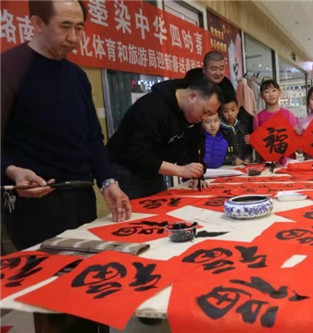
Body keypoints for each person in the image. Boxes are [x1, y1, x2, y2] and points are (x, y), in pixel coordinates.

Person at [1, 0, 131, 251]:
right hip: (34, 202)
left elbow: (92, 136)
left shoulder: (76, 76)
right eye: (65, 27)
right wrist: (11, 170)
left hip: (81, 196)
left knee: (87, 273)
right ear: (38, 24)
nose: (74, 37)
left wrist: (108, 181)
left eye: (79, 28)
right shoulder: (7, 70)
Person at [106, 78, 223, 199]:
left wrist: (197, 173)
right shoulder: (152, 107)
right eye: (205, 112)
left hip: (154, 170)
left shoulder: (193, 114)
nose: (204, 118)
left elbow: (196, 143)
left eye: (210, 114)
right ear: (192, 96)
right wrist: (180, 170)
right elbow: (137, 154)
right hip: (127, 170)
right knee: (139, 215)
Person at [185, 51, 254, 132]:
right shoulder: (192, 80)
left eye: (221, 69)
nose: (218, 73)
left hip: (219, 129)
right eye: (214, 69)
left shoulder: (226, 84)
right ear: (204, 69)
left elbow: (232, 108)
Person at [220, 96, 253, 165]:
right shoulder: (219, 130)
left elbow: (248, 148)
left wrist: (248, 158)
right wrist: (232, 159)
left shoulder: (243, 127)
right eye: (225, 111)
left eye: (233, 110)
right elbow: (217, 153)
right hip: (227, 169)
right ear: (221, 112)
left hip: (244, 166)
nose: (230, 114)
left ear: (238, 109)